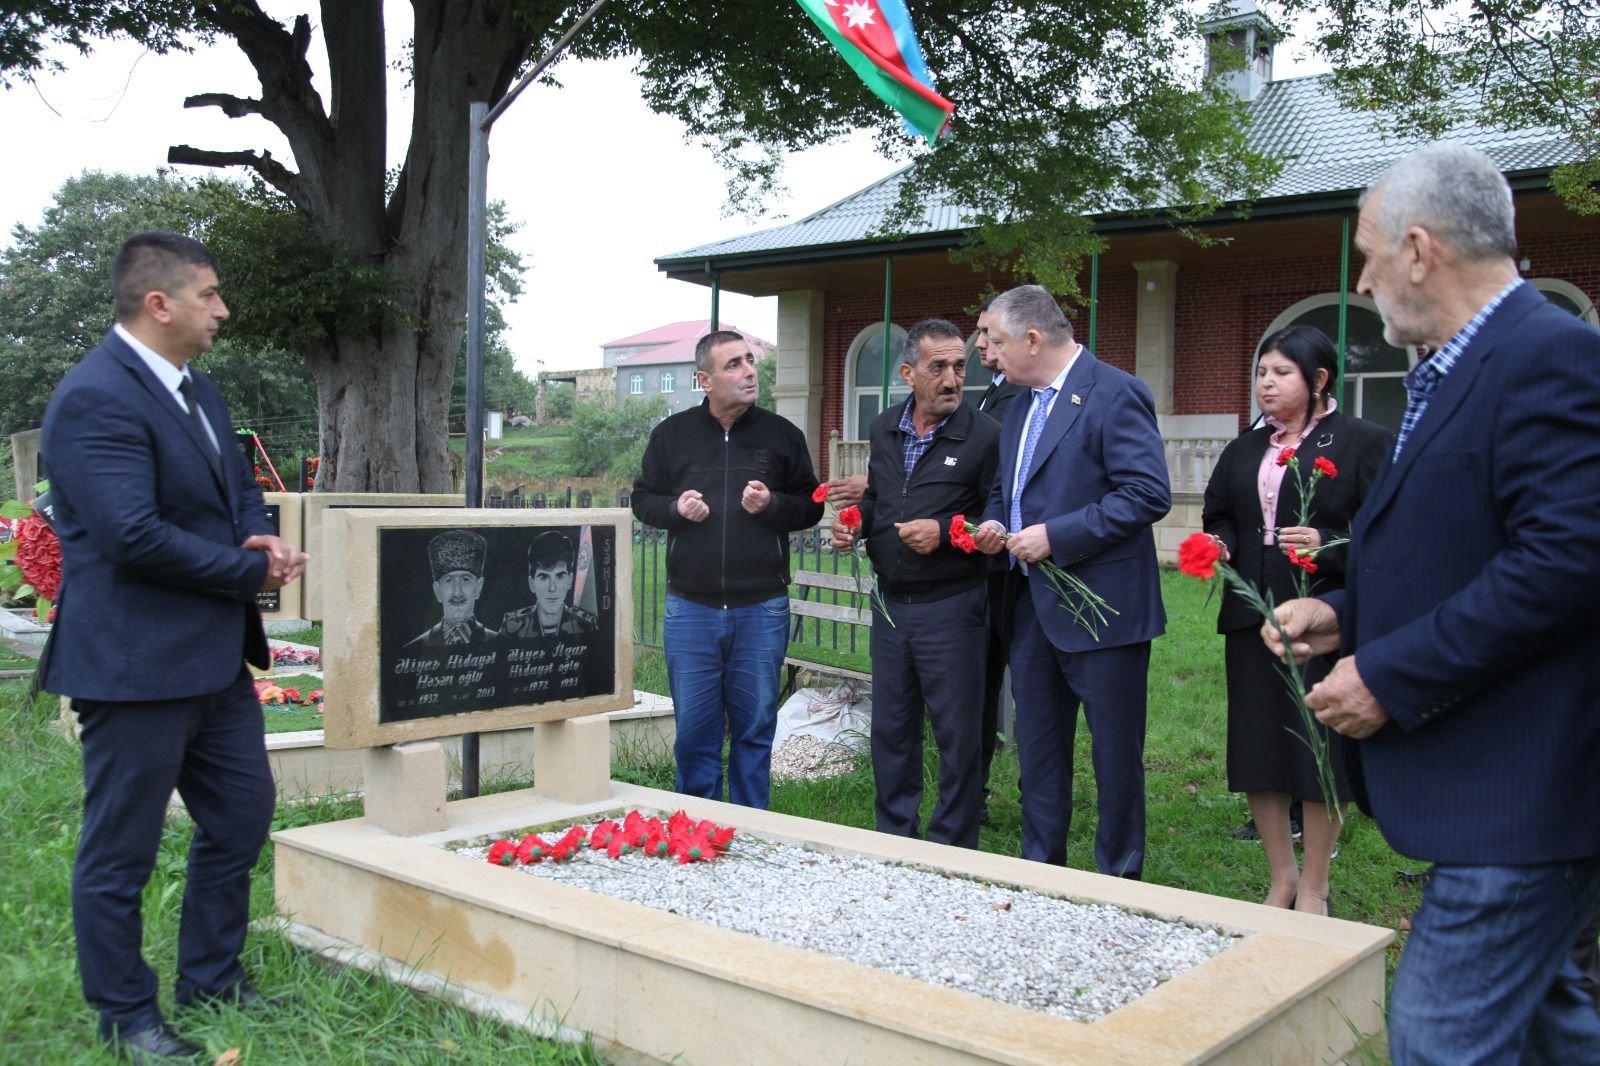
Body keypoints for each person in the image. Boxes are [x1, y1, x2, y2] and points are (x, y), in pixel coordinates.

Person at [1265, 142, 1600, 1063]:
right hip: (1501, 784)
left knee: (1434, 1040)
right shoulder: (1459, 364)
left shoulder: (1550, 356)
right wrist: (1345, 614)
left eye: (1370, 258)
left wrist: (1390, 673)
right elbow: (1466, 544)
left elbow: (1567, 562)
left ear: (1419, 251)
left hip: (1527, 785)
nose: (1363, 284)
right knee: (1551, 1028)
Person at [39, 231, 308, 1063]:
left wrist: (260, 537)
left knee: (240, 817)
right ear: (159, 304)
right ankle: (127, 1018)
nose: (221, 309)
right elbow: (131, 537)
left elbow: (238, 492)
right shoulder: (94, 397)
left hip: (213, 660)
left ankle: (212, 979)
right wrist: (247, 572)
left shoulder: (198, 389)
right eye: (208, 294)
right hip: (133, 665)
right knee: (121, 850)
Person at [972, 284, 1170, 878]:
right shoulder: (1018, 406)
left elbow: (1146, 493)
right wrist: (994, 523)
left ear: (1033, 338)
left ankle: (1120, 880)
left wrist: (1055, 536)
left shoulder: (1115, 392)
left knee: (1115, 758)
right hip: (1030, 607)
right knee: (1038, 752)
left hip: (1103, 611)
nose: (987, 352)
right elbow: (1006, 491)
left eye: (994, 340)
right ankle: (1042, 872)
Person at [1201, 324, 1391, 914]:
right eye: (1261, 372)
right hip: (1251, 615)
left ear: (1319, 378)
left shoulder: (1362, 442)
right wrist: (1221, 544)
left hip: (1321, 617)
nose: (1266, 383)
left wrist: (1329, 543)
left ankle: (1314, 886)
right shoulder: (1245, 447)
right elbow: (1219, 513)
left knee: (1318, 748)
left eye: (1281, 373)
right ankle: (1281, 877)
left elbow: (1389, 533)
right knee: (1258, 748)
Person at [632, 330, 824, 808]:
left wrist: (772, 504)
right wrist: (676, 509)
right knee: (695, 732)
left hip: (761, 606)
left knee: (754, 729)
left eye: (750, 360)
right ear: (705, 379)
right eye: (734, 364)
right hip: (690, 608)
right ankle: (696, 829)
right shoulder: (672, 435)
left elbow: (811, 505)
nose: (749, 371)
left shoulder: (781, 435)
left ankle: (752, 827)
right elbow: (643, 500)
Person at [830, 318, 1000, 848]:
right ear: (908, 374)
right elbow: (879, 498)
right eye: (938, 367)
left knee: (957, 733)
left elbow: (999, 521)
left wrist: (945, 534)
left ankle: (953, 847)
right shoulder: (884, 428)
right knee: (892, 728)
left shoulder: (986, 436)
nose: (952, 379)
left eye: (960, 367)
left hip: (952, 605)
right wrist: (855, 523)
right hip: (890, 606)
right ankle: (894, 838)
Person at [973, 296, 1027, 820]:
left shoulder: (1025, 396)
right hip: (985, 558)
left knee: (1027, 683)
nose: (980, 344)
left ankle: (1037, 795)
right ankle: (977, 790)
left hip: (1017, 560)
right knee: (983, 681)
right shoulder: (994, 390)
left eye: (989, 335)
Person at [405, 529, 497, 647]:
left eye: (465, 579)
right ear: (437, 590)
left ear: (479, 587)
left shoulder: (501, 644)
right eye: (448, 580)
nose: (457, 592)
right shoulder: (413, 649)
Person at [501, 529, 597, 638]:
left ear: (570, 581)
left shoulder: (586, 625)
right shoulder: (511, 626)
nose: (552, 588)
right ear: (532, 583)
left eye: (560, 576)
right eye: (544, 577)